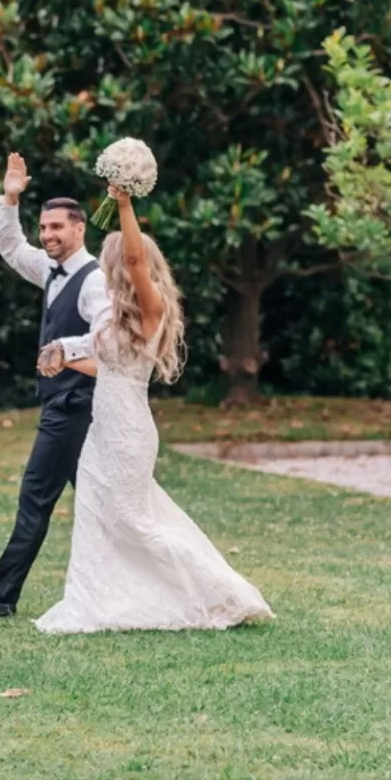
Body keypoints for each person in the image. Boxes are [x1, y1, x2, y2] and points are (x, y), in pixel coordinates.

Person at [33, 183, 273, 634]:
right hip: (102, 425)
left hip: (129, 431)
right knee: (94, 512)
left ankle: (219, 590)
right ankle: (93, 602)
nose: (107, 269)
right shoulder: (114, 317)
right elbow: (105, 367)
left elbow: (136, 259)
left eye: (111, 263)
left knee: (133, 520)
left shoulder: (152, 309)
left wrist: (123, 204)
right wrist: (63, 357)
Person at [0, 152, 110, 618]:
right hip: (68, 404)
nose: (48, 235)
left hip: (74, 406)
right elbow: (12, 248)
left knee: (35, 498)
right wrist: (10, 198)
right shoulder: (50, 270)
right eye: (44, 228)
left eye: (57, 227)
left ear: (79, 229)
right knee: (107, 505)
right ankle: (130, 587)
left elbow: (109, 337)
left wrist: (64, 348)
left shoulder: (94, 281)